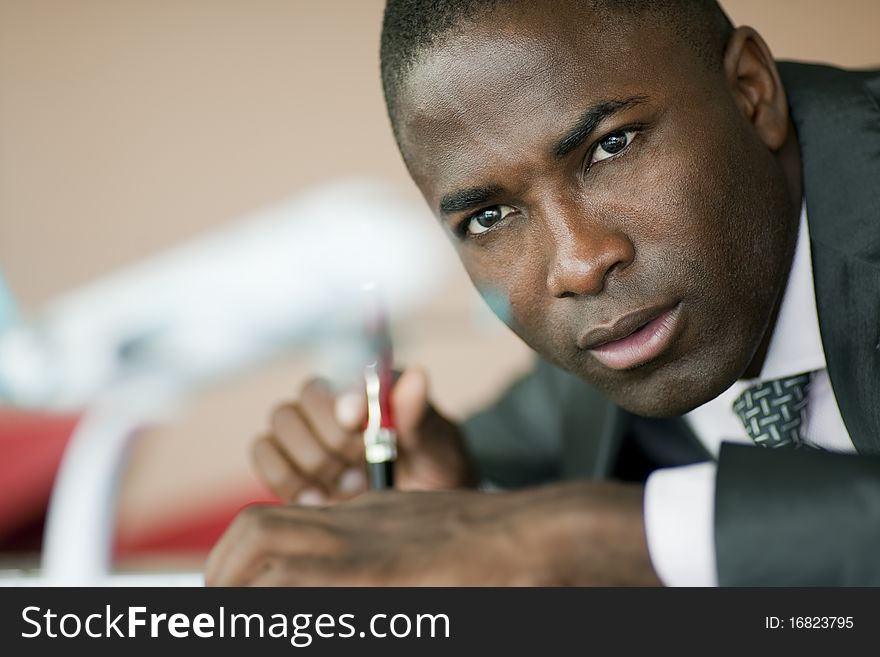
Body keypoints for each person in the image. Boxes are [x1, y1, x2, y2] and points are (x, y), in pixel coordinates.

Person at [205, 0, 880, 586]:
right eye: (490, 217)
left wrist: (574, 540)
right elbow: (486, 514)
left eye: (612, 146)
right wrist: (456, 498)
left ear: (749, 89)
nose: (578, 264)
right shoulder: (618, 342)